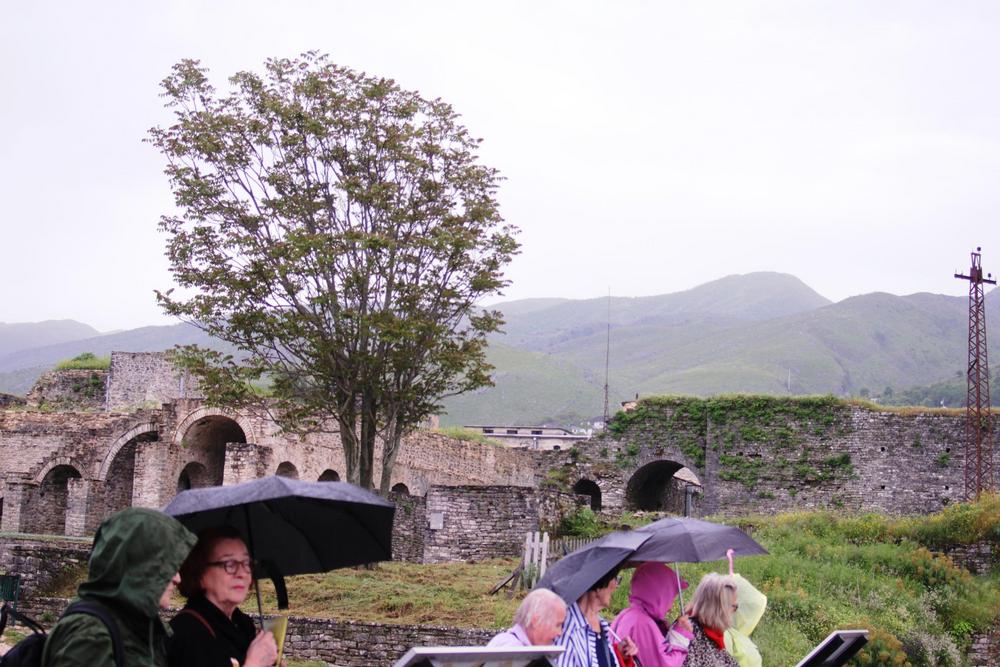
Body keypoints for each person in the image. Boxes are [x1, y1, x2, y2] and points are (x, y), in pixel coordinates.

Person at [42, 507, 197, 667]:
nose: (177, 578)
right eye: (169, 566)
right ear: (140, 564)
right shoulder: (89, 636)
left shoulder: (138, 627)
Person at [168, 526, 279, 667]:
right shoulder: (187, 633)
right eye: (229, 564)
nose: (242, 573)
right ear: (200, 572)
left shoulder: (243, 624)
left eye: (246, 563)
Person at [611, 563, 693, 667]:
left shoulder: (627, 614)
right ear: (660, 596)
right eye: (670, 597)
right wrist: (680, 637)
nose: (670, 607)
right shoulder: (643, 623)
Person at [556, 568, 639, 667]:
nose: (616, 586)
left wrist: (619, 654)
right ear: (599, 581)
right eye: (614, 578)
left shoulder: (600, 624)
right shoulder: (568, 630)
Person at [682, 573, 740, 667]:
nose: (734, 611)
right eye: (734, 606)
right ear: (719, 608)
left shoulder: (710, 631)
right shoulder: (688, 631)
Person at [488, 588, 568, 647]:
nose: (560, 633)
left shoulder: (522, 647)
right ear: (536, 621)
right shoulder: (512, 651)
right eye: (558, 625)